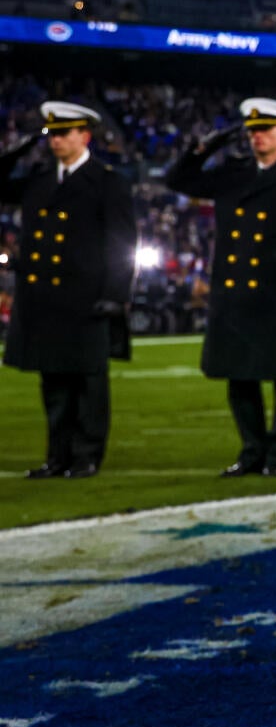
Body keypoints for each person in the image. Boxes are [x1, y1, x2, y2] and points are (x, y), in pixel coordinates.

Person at [164, 98, 276, 478]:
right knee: (239, 377)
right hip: (233, 290)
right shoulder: (233, 172)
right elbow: (177, 180)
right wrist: (204, 149)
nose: (258, 137)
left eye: (265, 129)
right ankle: (252, 451)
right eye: (252, 131)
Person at [2, 102, 136, 479]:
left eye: (63, 133)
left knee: (88, 382)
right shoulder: (40, 179)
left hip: (86, 297)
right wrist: (18, 149)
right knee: (54, 382)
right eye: (51, 135)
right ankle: (57, 456)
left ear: (84, 136)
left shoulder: (107, 181)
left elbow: (122, 240)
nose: (56, 141)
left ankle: (87, 455)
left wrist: (116, 294)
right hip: (44, 298)